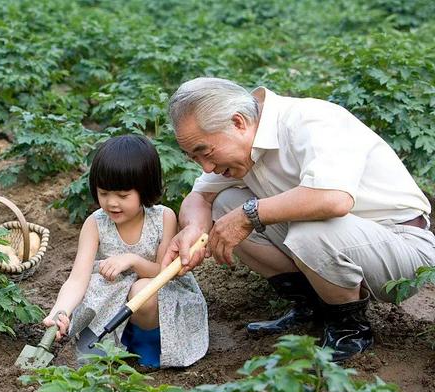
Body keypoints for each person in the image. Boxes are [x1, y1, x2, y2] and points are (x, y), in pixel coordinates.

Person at [161, 77, 435, 361]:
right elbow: (200, 197)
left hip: (401, 248)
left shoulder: (311, 121)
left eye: (205, 152)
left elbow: (332, 198)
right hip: (340, 239)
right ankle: (313, 307)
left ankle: (350, 330)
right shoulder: (241, 146)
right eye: (195, 158)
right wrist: (194, 228)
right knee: (225, 204)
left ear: (238, 122)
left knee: (303, 230)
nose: (206, 166)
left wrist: (247, 215)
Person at [44, 134, 208, 368]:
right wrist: (61, 311)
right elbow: (77, 279)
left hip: (158, 292)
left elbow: (163, 271)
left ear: (144, 189)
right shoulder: (95, 223)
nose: (112, 203)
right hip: (112, 297)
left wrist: (132, 260)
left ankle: (148, 347)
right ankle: (118, 343)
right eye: (104, 193)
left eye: (122, 195)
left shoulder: (162, 218)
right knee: (108, 293)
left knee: (143, 290)